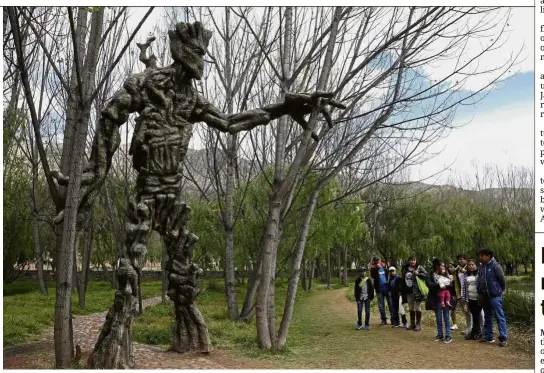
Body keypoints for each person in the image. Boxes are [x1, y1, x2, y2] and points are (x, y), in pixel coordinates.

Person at [477, 248, 507, 347]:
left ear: (488, 256)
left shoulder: (495, 266)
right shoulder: (481, 266)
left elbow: (502, 280)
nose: (480, 257)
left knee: (499, 316)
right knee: (487, 316)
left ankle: (503, 338)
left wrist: (499, 291)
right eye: (480, 255)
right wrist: (479, 290)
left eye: (482, 255)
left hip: (494, 296)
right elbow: (479, 279)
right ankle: (488, 336)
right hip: (484, 296)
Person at [426, 258, 452, 344]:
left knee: (446, 316)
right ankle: (440, 334)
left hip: (445, 298)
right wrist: (440, 284)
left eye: (444, 266)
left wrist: (444, 285)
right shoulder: (430, 274)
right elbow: (429, 284)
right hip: (436, 298)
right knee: (439, 317)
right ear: (437, 266)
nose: (443, 267)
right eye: (441, 265)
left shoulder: (445, 274)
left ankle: (448, 335)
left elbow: (451, 285)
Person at [401, 255, 427, 331]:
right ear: (408, 261)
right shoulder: (405, 268)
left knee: (417, 307)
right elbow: (403, 278)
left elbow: (426, 275)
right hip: (408, 291)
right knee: (411, 307)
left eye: (414, 260)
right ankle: (412, 324)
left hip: (417, 291)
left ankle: (418, 324)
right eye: (411, 260)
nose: (413, 261)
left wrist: (418, 274)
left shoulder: (419, 267)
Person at [462, 259, 483, 340]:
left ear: (476, 266)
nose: (471, 266)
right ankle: (475, 332)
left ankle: (478, 332)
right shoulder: (465, 275)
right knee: (474, 316)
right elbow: (464, 289)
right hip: (470, 299)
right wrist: (465, 302)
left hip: (478, 299)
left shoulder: (479, 274)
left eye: (472, 264)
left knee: (477, 316)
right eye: (469, 265)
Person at [370, 257, 392, 325]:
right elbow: (373, 276)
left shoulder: (385, 266)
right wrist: (376, 268)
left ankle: (393, 319)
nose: (378, 261)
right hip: (379, 289)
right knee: (381, 305)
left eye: (379, 260)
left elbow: (389, 275)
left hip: (387, 289)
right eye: (376, 261)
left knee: (390, 304)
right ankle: (383, 319)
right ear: (375, 262)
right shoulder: (373, 268)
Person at [354, 266, 374, 330]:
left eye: (364, 271)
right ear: (360, 272)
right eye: (362, 271)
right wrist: (357, 299)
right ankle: (359, 324)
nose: (363, 272)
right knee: (359, 311)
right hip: (360, 298)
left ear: (366, 272)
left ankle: (367, 324)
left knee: (367, 311)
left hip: (367, 298)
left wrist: (371, 297)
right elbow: (356, 290)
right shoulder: (357, 280)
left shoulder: (368, 280)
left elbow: (371, 289)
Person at [454, 254, 470, 336]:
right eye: (459, 259)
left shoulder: (470, 267)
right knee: (466, 311)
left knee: (475, 312)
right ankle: (468, 327)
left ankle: (478, 328)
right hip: (462, 292)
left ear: (466, 260)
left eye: (462, 259)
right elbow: (457, 283)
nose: (461, 261)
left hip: (470, 292)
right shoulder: (457, 270)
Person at [446, 262, 459, 330]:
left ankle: (454, 323)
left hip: (455, 294)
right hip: (448, 293)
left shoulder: (457, 274)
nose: (450, 268)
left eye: (451, 267)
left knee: (453, 309)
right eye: (449, 267)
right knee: (450, 309)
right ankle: (452, 323)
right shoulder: (446, 275)